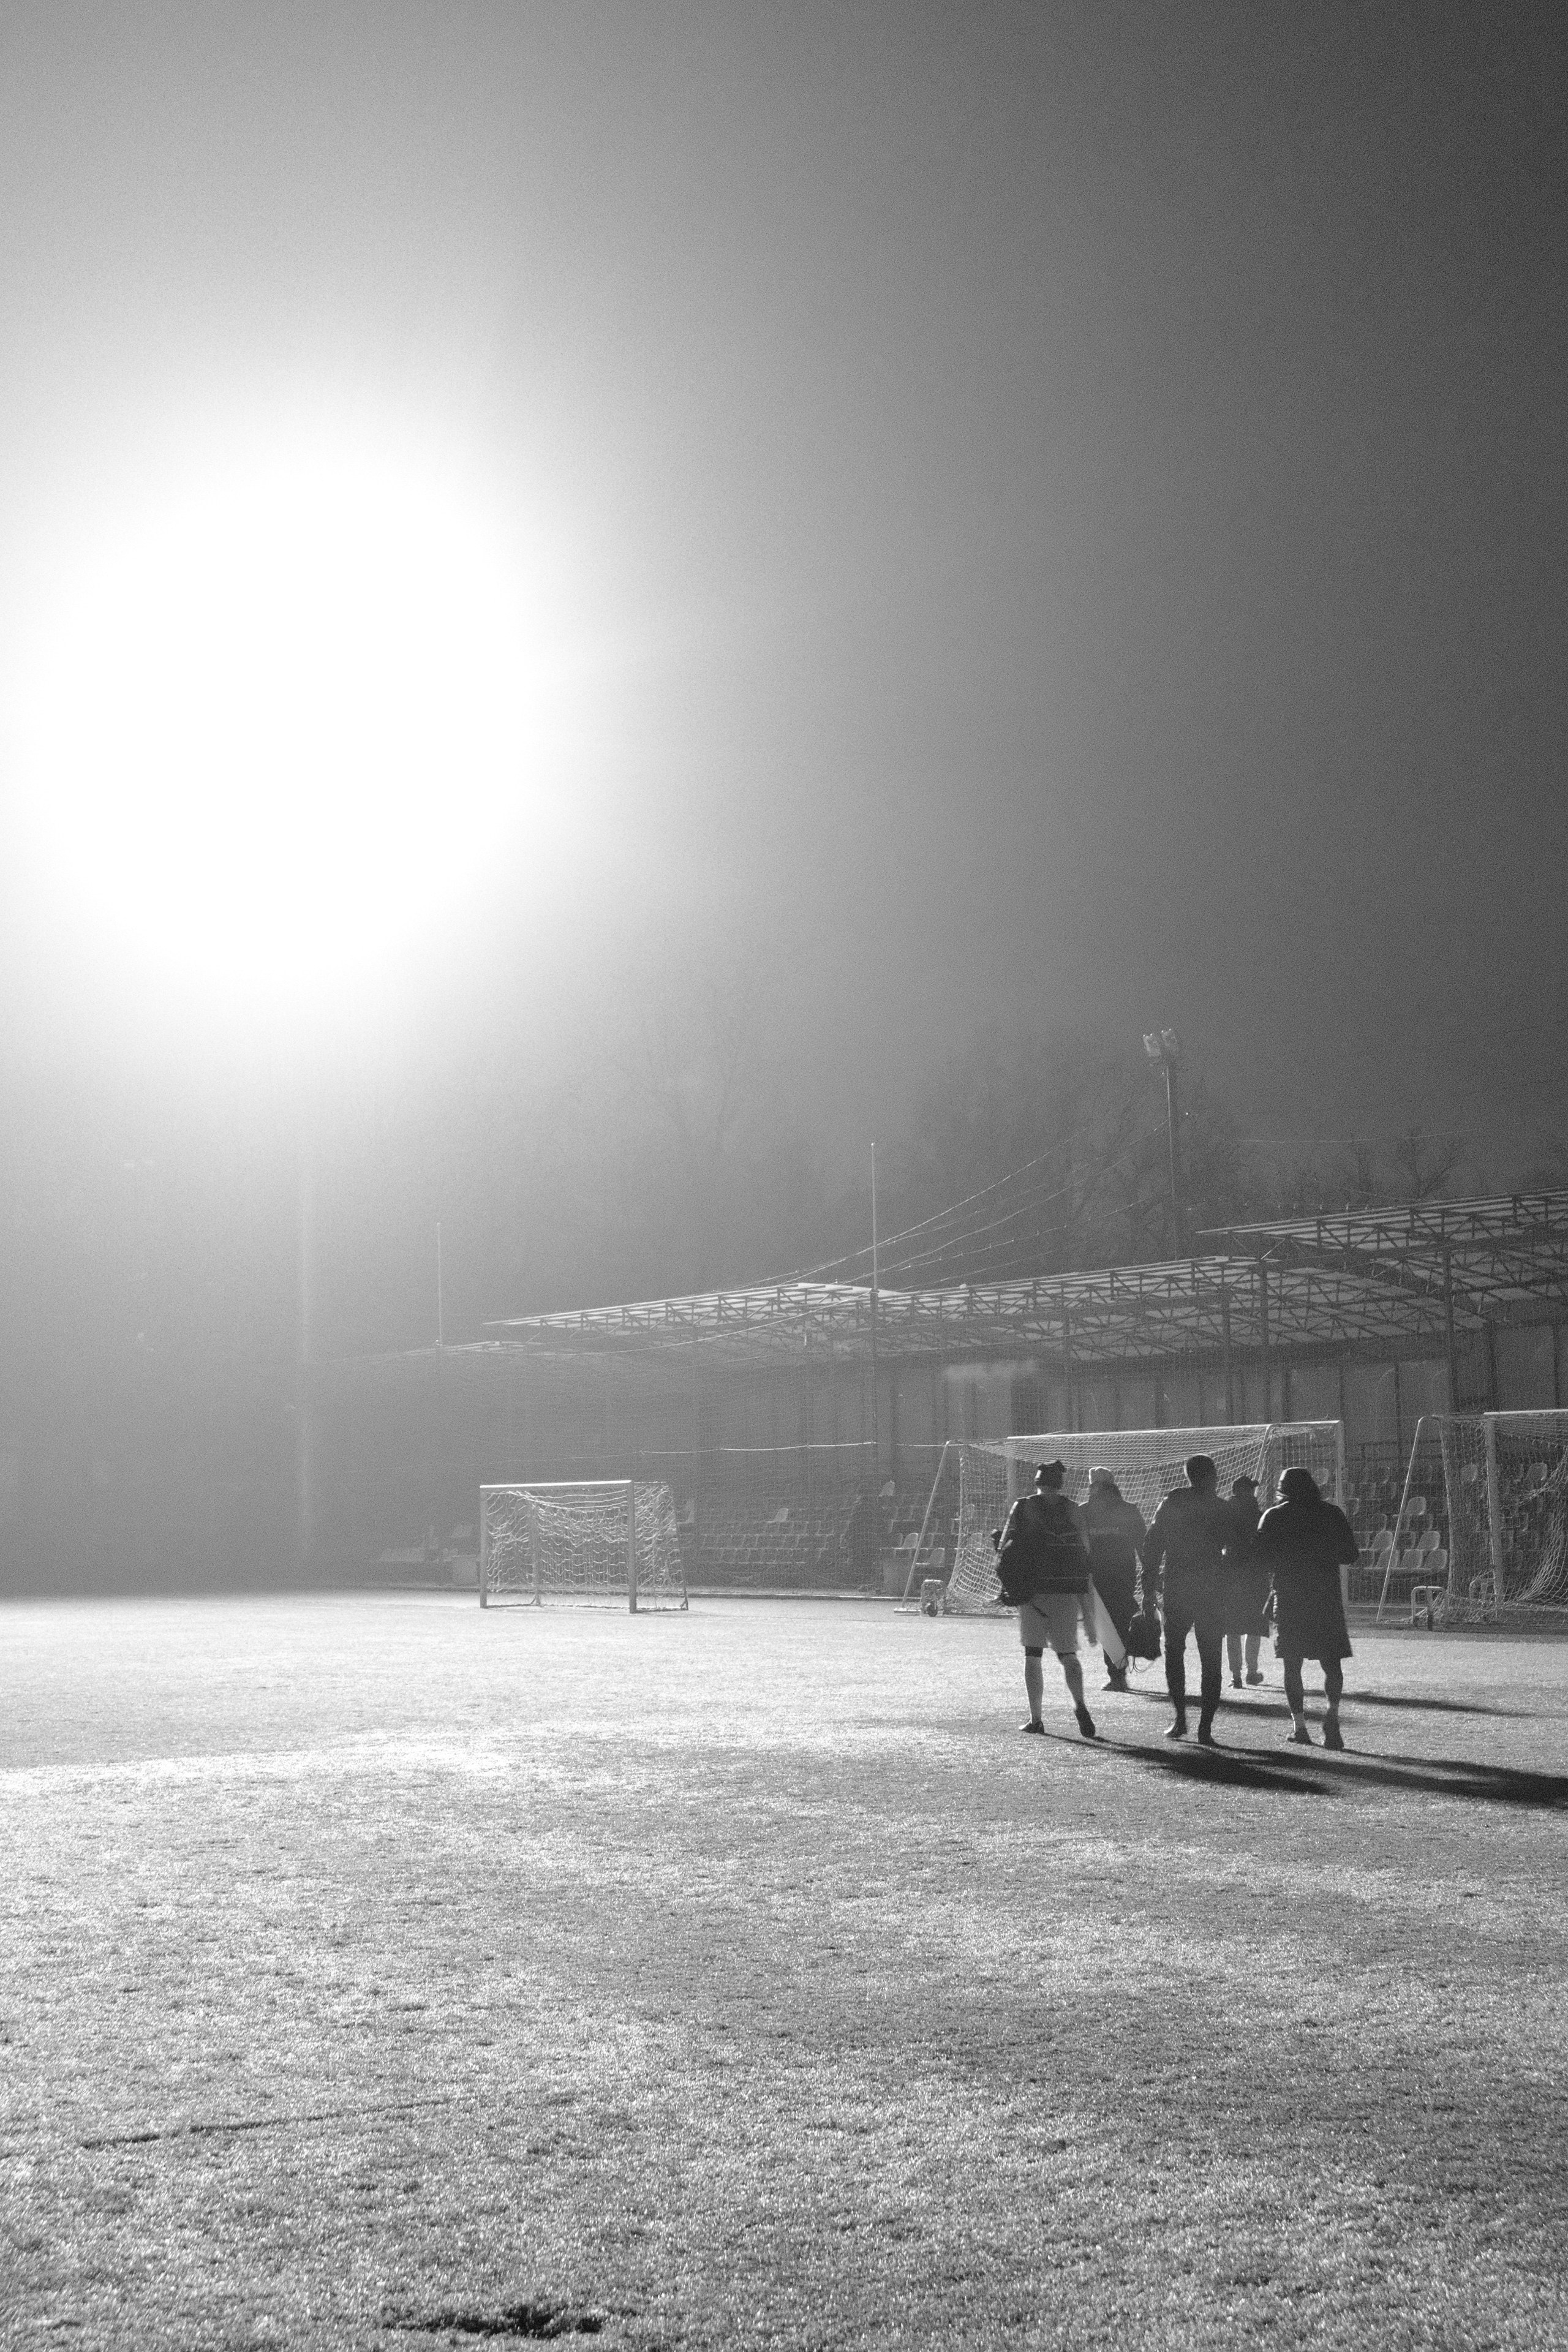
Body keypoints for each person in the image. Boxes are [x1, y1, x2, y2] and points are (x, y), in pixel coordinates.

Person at [1255, 1464, 1359, 1749]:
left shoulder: (1274, 1516)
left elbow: (1261, 1559)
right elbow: (1350, 1554)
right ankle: (1332, 1714)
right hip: (1325, 1596)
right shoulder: (1332, 1514)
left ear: (1283, 1489)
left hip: (1290, 1597)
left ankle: (1300, 1727)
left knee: (1292, 1664)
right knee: (1331, 1662)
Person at [995, 1460, 1098, 1741]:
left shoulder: (1023, 1506)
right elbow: (1086, 1551)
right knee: (1068, 1655)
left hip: (1033, 1591)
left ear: (1038, 1482)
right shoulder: (1073, 1509)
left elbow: (1004, 1548)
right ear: (1060, 1484)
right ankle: (1080, 1705)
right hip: (1067, 1590)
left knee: (1033, 1655)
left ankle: (1036, 1718)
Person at [1139, 1453, 1232, 1745]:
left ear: (1189, 1476)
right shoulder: (1221, 1508)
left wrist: (1148, 1589)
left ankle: (1180, 1718)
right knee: (1211, 1657)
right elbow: (1237, 1550)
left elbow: (1152, 1547)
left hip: (1178, 1586)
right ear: (1213, 1475)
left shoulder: (1172, 1504)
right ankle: (1205, 1727)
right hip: (1211, 1589)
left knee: (1175, 1652)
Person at [1082, 1467, 1146, 1694]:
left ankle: (1117, 1674)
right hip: (1124, 1576)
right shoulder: (1129, 1510)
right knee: (1119, 1624)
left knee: (1105, 1627)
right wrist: (1149, 1574)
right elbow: (1143, 1546)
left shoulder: (1084, 1512)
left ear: (1093, 1486)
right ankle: (1119, 1671)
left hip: (1095, 1578)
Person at [1223, 1475, 1269, 1688]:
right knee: (1253, 1627)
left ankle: (1236, 1676)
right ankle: (1251, 1672)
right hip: (1255, 1575)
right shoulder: (1259, 1515)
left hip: (1231, 1575)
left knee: (1232, 1628)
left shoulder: (1226, 1514)